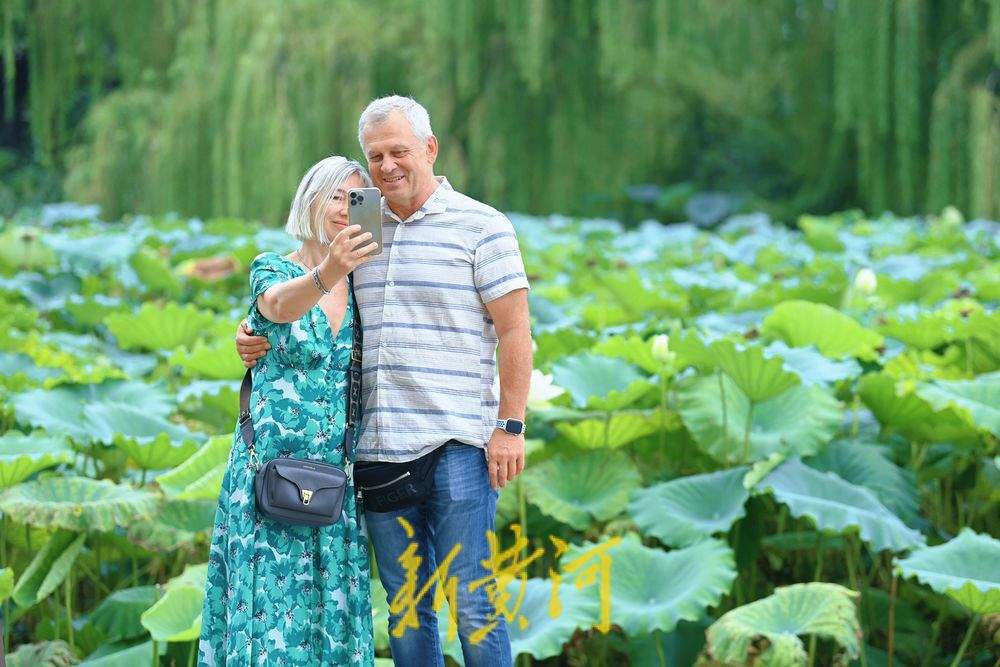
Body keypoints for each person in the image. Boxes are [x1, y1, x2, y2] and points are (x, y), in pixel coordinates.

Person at [237, 96, 533, 667]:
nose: (387, 166)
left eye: (399, 151)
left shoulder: (482, 225)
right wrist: (249, 331)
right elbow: (308, 285)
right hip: (377, 451)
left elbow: (516, 332)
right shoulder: (362, 228)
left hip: (459, 444)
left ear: (430, 148)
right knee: (405, 608)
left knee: (471, 600)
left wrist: (510, 426)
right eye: (375, 156)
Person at [202, 156, 379, 666]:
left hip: (332, 481)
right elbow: (276, 307)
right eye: (335, 197)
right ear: (310, 201)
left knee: (331, 617)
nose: (346, 210)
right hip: (267, 476)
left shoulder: (367, 285)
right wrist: (330, 270)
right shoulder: (273, 267)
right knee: (267, 618)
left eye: (357, 200)